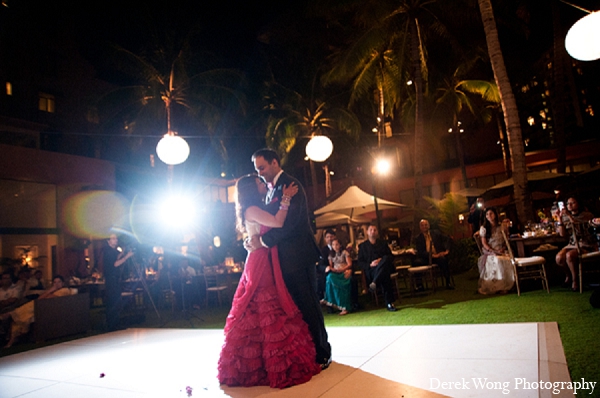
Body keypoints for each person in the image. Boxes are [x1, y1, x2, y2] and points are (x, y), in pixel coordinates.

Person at [218, 174, 321, 388]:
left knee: (266, 307)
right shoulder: (252, 209)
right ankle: (265, 362)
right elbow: (278, 222)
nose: (262, 184)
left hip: (263, 257)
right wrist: (285, 199)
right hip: (260, 261)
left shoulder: (255, 207)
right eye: (258, 183)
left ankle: (265, 359)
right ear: (251, 189)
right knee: (265, 306)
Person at [245, 148, 332, 369]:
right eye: (257, 169)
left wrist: (262, 242)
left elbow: (291, 224)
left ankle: (323, 353)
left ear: (274, 162)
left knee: (308, 302)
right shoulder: (269, 190)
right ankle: (308, 350)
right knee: (294, 306)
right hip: (281, 258)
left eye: (262, 167)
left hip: (298, 255)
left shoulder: (291, 185)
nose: (260, 173)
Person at [1, 275, 75, 348]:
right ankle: (11, 340)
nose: (56, 284)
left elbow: (46, 299)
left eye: (59, 282)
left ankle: (11, 314)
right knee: (25, 314)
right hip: (41, 306)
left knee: (28, 309)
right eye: (55, 282)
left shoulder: (64, 290)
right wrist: (50, 291)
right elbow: (40, 298)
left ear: (63, 283)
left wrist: (50, 291)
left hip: (47, 309)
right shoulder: (51, 291)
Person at [554, 196, 595, 291]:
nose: (570, 205)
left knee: (569, 256)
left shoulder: (586, 215)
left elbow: (579, 230)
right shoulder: (565, 217)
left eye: (573, 203)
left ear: (578, 204)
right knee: (559, 258)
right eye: (568, 203)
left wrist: (569, 216)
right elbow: (562, 234)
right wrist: (560, 219)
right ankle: (568, 276)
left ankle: (575, 281)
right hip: (572, 243)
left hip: (585, 243)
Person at [357, 224, 398, 312]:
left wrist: (381, 260)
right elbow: (360, 262)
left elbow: (391, 257)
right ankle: (389, 303)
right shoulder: (363, 246)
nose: (373, 231)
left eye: (375, 230)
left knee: (385, 259)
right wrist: (370, 264)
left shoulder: (383, 243)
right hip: (372, 270)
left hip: (383, 268)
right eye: (371, 230)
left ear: (377, 232)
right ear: (367, 232)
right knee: (384, 275)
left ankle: (375, 283)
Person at [477, 207, 515, 295]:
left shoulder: (502, 226)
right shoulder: (484, 228)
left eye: (491, 214)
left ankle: (508, 285)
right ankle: (498, 286)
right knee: (497, 260)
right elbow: (484, 243)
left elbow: (506, 239)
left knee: (508, 259)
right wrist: (492, 250)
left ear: (495, 215)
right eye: (487, 214)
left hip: (502, 249)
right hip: (490, 251)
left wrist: (503, 248)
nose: (489, 216)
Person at [102, 234, 134, 331]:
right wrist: (127, 256)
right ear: (108, 241)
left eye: (116, 238)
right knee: (113, 301)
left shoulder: (112, 251)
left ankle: (114, 323)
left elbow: (116, 257)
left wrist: (123, 252)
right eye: (113, 238)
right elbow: (115, 264)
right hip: (112, 280)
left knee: (114, 300)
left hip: (113, 279)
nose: (116, 240)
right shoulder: (108, 251)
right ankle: (113, 324)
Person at [414, 219, 453, 289]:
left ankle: (448, 282)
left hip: (438, 256)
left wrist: (447, 250)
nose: (424, 227)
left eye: (426, 225)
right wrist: (431, 255)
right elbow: (420, 252)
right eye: (422, 225)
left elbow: (448, 239)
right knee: (416, 263)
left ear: (428, 226)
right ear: (420, 227)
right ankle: (419, 285)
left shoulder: (436, 233)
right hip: (427, 258)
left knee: (443, 260)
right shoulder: (418, 238)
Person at [323, 238, 353, 315]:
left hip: (344, 271)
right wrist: (333, 269)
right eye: (333, 245)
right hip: (336, 273)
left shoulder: (344, 252)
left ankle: (344, 307)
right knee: (329, 277)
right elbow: (331, 266)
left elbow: (349, 264)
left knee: (342, 284)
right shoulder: (331, 255)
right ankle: (328, 299)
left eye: (337, 244)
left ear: (340, 245)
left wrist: (343, 269)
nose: (335, 246)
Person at [317, 229, 336, 302]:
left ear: (335, 237)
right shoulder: (322, 250)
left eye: (331, 236)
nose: (330, 239)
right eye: (327, 237)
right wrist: (326, 267)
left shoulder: (340, 248)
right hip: (328, 272)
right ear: (325, 239)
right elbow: (320, 264)